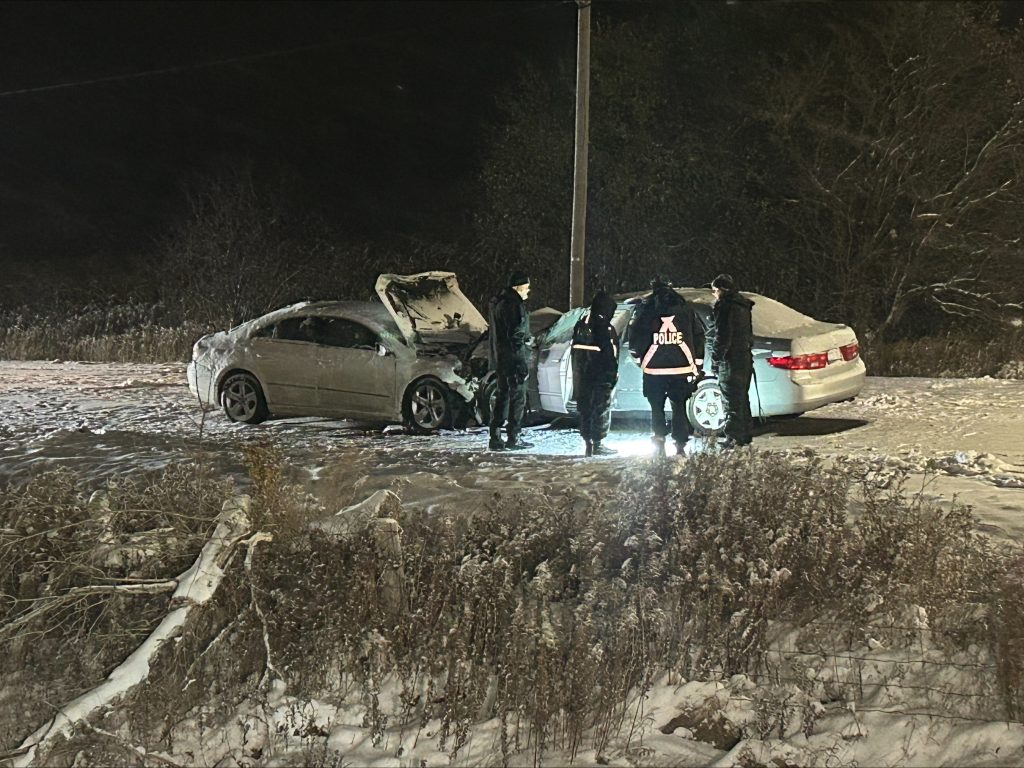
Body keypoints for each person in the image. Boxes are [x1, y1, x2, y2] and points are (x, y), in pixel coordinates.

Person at [627, 280, 705, 455]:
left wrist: (641, 360)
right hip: (681, 368)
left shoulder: (646, 311)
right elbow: (699, 337)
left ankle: (659, 440)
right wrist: (697, 364)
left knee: (656, 407)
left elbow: (634, 339)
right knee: (679, 406)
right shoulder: (686, 310)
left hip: (654, 370)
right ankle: (680, 445)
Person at [487, 270, 533, 451]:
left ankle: (495, 436)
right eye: (527, 287)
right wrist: (521, 357)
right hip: (514, 358)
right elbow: (516, 333)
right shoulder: (515, 305)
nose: (528, 291)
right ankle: (514, 437)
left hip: (502, 359)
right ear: (518, 287)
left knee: (502, 396)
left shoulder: (499, 303)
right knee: (517, 397)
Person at [571, 291, 620, 457]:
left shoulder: (581, 325)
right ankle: (598, 443)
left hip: (582, 376)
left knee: (585, 409)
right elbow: (609, 356)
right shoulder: (604, 328)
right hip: (600, 377)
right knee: (601, 409)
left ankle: (588, 443)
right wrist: (612, 377)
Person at [709, 273, 755, 449]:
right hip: (744, 357)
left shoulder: (725, 306)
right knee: (742, 396)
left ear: (721, 290)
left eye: (714, 290)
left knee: (730, 399)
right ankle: (745, 434)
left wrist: (716, 359)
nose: (714, 294)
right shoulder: (743, 305)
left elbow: (721, 336)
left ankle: (733, 437)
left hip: (730, 360)